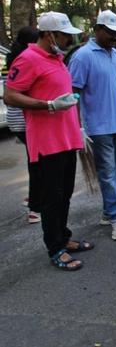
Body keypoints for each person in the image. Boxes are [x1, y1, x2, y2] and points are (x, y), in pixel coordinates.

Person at [4, 11, 93, 271]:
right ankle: (55, 249)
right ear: (49, 34)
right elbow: (10, 96)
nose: (68, 40)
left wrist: (78, 127)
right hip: (47, 143)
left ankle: (63, 238)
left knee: (64, 194)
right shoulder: (28, 59)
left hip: (67, 138)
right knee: (52, 198)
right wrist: (48, 105)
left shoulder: (57, 58)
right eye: (65, 35)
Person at [69, 10, 116, 241]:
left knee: (115, 169)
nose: (115, 37)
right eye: (111, 33)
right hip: (98, 127)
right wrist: (77, 126)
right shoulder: (83, 56)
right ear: (97, 29)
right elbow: (74, 93)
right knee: (108, 173)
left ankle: (110, 212)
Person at [5, 26, 41, 224]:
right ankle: (35, 207)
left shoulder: (15, 58)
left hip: (17, 120)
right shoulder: (26, 60)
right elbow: (11, 95)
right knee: (39, 163)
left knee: (34, 161)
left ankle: (33, 198)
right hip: (24, 119)